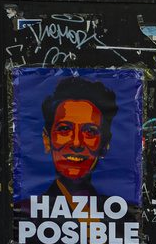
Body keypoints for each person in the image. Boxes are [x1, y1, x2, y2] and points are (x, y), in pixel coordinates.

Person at [15, 76, 119, 217]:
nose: (76, 142)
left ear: (105, 144)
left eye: (90, 131)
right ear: (47, 140)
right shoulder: (27, 214)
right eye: (64, 129)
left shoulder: (122, 216)